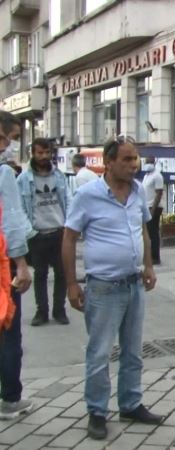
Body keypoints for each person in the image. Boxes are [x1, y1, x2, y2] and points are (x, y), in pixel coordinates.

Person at [61, 135, 163, 441]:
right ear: (109, 163)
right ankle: (96, 411)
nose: (134, 165)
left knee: (133, 351)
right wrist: (71, 284)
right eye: (127, 160)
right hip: (103, 288)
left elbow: (143, 230)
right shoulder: (88, 195)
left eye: (136, 159)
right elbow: (68, 239)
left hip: (134, 285)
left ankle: (130, 403)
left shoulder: (137, 192)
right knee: (100, 352)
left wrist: (148, 266)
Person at [0, 110, 34, 420]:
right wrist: (21, 264)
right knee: (8, 330)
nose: (10, 145)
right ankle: (10, 398)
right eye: (10, 138)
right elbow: (11, 222)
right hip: (3, 265)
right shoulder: (4, 173)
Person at [17, 138, 71, 326]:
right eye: (39, 153)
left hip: (59, 232)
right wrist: (30, 231)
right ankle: (42, 312)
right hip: (37, 235)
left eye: (46, 152)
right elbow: (20, 208)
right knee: (40, 275)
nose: (43, 156)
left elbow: (68, 200)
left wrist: (69, 227)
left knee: (62, 273)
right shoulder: (24, 179)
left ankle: (59, 310)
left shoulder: (59, 176)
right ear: (33, 153)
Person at [141, 156, 165, 264]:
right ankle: (149, 255)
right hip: (146, 206)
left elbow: (159, 193)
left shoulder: (157, 176)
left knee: (153, 232)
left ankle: (155, 257)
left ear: (154, 163)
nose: (148, 164)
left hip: (154, 207)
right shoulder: (146, 176)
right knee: (148, 232)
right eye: (147, 162)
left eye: (150, 162)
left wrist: (153, 210)